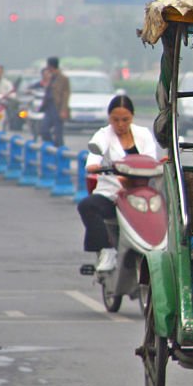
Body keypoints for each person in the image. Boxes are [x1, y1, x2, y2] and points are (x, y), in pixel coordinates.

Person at [77, 95, 160, 272]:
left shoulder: (143, 134)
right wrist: (95, 165)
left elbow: (151, 160)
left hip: (141, 195)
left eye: (125, 120)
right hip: (112, 195)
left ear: (132, 117)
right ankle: (107, 250)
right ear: (109, 118)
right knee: (86, 206)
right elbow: (93, 157)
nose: (120, 125)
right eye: (115, 120)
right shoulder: (103, 135)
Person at [40, 56, 70, 147]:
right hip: (48, 107)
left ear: (51, 66)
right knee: (44, 129)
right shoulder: (49, 77)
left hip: (58, 108)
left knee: (58, 134)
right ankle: (51, 146)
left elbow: (66, 95)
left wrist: (64, 109)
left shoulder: (63, 78)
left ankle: (59, 151)